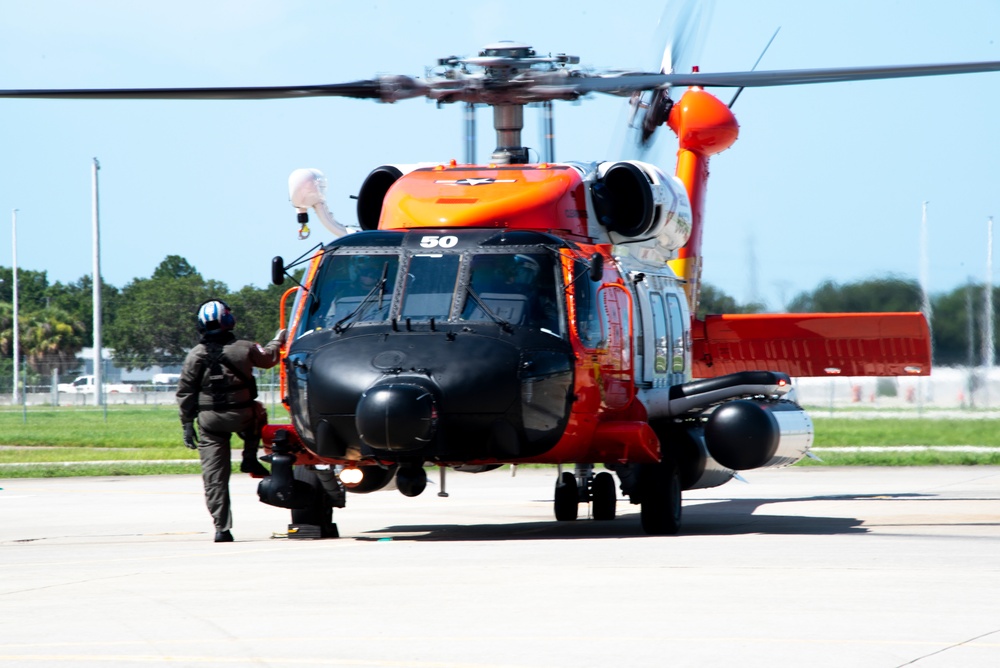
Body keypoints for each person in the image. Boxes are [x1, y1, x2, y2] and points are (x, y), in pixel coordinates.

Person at [176, 299, 286, 543]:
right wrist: (278, 340)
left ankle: (221, 528)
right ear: (227, 320)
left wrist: (186, 424)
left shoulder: (194, 355)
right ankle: (249, 458)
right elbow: (269, 358)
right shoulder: (244, 348)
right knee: (260, 411)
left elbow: (185, 393)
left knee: (214, 477)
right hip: (244, 416)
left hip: (209, 423)